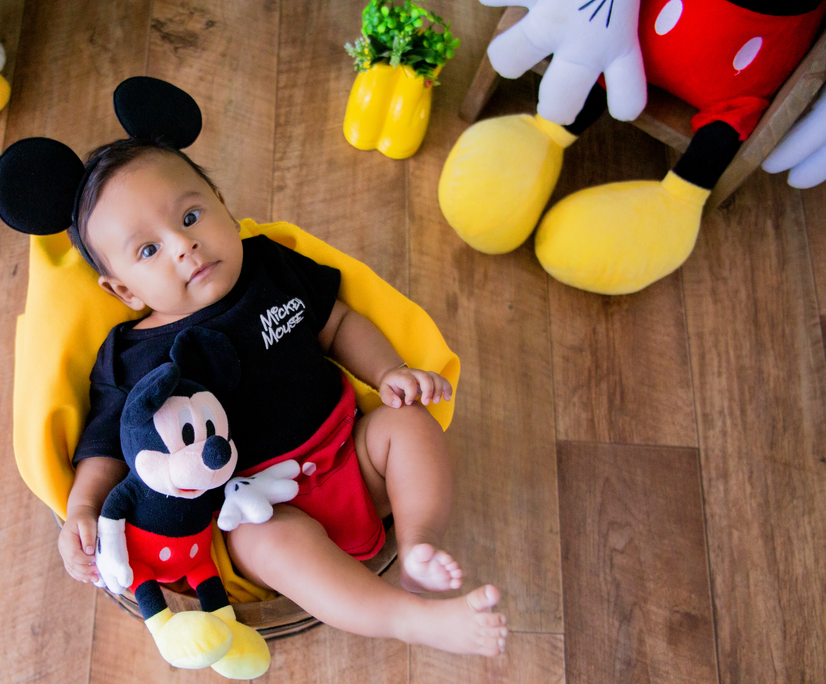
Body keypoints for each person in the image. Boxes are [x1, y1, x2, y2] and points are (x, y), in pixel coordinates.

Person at [59, 139, 506, 657]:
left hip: (353, 452)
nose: (184, 245)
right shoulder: (131, 358)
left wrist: (389, 371)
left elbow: (337, 322)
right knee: (258, 542)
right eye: (148, 250)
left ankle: (418, 542)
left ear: (223, 205)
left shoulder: (269, 265)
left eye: (191, 216)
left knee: (407, 423)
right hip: (260, 505)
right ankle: (406, 617)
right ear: (124, 291)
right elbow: (105, 447)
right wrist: (83, 508)